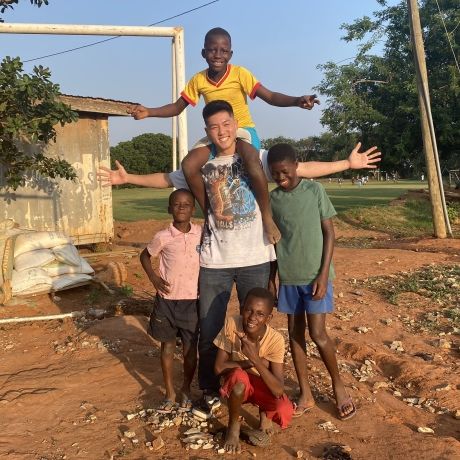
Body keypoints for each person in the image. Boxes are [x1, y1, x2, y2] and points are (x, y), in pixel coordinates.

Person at [99, 99, 380, 416]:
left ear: (235, 124)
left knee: (256, 327)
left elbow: (300, 168)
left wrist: (346, 164)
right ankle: (209, 389)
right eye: (214, 127)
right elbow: (167, 178)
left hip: (256, 258)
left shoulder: (256, 157)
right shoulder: (202, 165)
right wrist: (128, 178)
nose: (222, 131)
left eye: (226, 124)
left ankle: (263, 387)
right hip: (215, 261)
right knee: (210, 327)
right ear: (207, 131)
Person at [129, 27, 319, 244]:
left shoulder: (240, 74)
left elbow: (270, 96)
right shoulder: (198, 80)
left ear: (230, 54)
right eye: (212, 50)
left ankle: (266, 216)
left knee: (251, 162)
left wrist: (297, 100)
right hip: (217, 133)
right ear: (203, 53)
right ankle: (211, 214)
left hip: (241, 129)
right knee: (189, 165)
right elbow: (177, 107)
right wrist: (149, 112)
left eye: (223, 50)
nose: (217, 55)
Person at [267, 143, 356, 421]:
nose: (281, 178)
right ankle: (305, 392)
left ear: (297, 164)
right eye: (275, 174)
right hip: (289, 277)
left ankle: (338, 386)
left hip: (316, 276)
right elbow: (271, 242)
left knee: (318, 334)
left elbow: (330, 234)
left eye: (285, 171)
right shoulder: (273, 200)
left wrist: (323, 273)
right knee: (295, 334)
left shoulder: (314, 190)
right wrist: (272, 280)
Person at [140, 188, 201, 413]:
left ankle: (186, 388)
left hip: (192, 301)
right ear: (169, 209)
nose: (182, 207)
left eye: (186, 204)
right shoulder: (162, 237)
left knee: (189, 350)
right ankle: (169, 391)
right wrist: (154, 278)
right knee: (167, 347)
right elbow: (144, 256)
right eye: (176, 204)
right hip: (166, 301)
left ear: (193, 209)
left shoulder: (201, 234)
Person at [214, 287, 293, 453]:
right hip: (239, 384)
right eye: (249, 310)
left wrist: (255, 359)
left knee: (284, 408)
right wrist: (250, 362)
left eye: (260, 314)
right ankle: (233, 427)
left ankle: (265, 413)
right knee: (237, 376)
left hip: (260, 384)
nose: (252, 317)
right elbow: (219, 367)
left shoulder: (275, 340)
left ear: (269, 318)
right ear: (242, 308)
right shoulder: (232, 324)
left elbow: (278, 389)